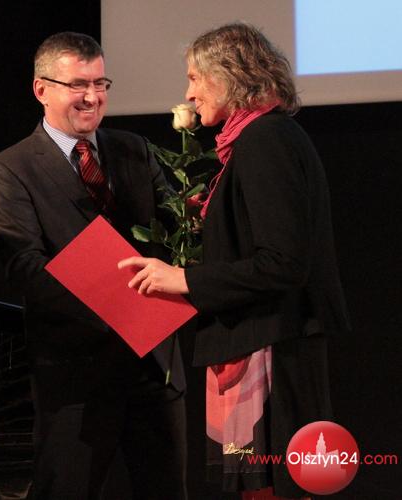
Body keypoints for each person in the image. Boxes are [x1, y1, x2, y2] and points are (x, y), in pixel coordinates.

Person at [119, 23, 351, 499]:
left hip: (274, 347)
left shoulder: (266, 139)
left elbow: (283, 263)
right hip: (262, 341)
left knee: (276, 491)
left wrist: (184, 279)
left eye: (195, 78)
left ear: (229, 75)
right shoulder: (256, 139)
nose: (189, 93)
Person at [0, 32, 187, 499]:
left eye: (100, 83)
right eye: (78, 84)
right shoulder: (11, 168)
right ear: (41, 89)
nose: (92, 97)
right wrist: (113, 305)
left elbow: (177, 235)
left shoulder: (135, 150)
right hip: (74, 375)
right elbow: (24, 265)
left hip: (154, 366)